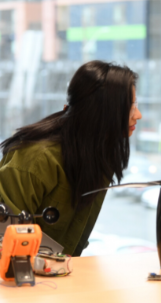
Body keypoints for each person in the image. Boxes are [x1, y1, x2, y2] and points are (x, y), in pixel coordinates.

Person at [0, 60, 142, 256]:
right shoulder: (36, 158)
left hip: (59, 274)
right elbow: (7, 238)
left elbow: (74, 241)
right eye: (131, 106)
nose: (139, 115)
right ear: (102, 110)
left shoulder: (98, 155)